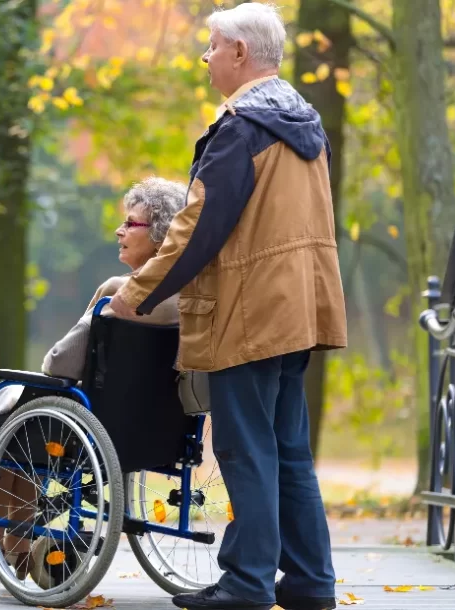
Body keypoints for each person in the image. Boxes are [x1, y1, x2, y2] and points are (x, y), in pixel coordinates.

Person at [108, 3, 347, 610]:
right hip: (300, 307)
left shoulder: (242, 129)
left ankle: (245, 583)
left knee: (245, 449)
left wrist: (136, 294)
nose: (205, 57)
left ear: (241, 52)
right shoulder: (305, 126)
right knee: (289, 449)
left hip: (249, 311)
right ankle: (311, 583)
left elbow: (194, 228)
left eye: (212, 46)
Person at [0, 176, 210, 579]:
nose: (119, 231)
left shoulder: (120, 292)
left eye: (130, 224)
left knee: (5, 408)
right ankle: (11, 543)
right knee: (26, 418)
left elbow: (60, 364)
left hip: (93, 429)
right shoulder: (194, 299)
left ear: (159, 236)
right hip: (161, 435)